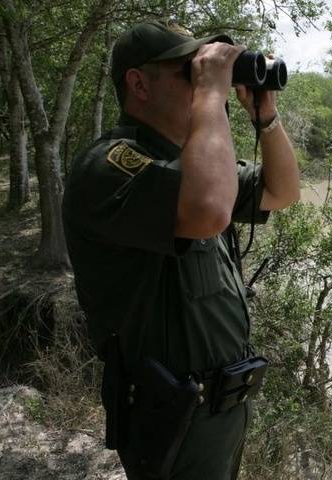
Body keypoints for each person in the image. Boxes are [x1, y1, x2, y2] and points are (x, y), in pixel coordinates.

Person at [62, 18, 300, 480]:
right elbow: (210, 211)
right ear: (139, 84)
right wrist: (211, 94)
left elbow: (282, 191)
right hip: (172, 414)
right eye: (188, 73)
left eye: (204, 73)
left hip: (223, 407)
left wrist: (265, 117)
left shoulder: (192, 162)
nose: (203, 82)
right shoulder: (108, 164)